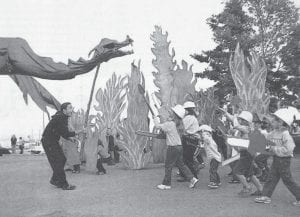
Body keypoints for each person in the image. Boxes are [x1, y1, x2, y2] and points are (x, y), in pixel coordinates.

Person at [255, 108, 300, 206]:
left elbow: (289, 149)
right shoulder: (275, 132)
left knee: (288, 180)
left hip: (284, 160)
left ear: (280, 122)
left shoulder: (285, 134)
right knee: (271, 177)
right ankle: (266, 196)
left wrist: (274, 149)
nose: (272, 121)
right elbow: (266, 138)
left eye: (274, 120)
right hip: (277, 159)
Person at [153, 104, 198, 190]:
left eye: (172, 112)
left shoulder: (170, 124)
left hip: (172, 147)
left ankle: (166, 184)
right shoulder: (179, 124)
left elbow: (158, 126)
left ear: (174, 114)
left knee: (168, 166)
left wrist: (155, 118)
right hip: (179, 147)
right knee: (181, 165)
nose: (170, 112)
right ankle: (192, 179)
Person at [41, 102, 85, 190]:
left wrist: (69, 138)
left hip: (52, 141)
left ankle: (55, 179)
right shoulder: (61, 117)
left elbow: (62, 132)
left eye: (72, 108)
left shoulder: (62, 117)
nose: (72, 110)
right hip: (49, 141)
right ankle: (64, 184)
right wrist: (79, 131)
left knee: (62, 159)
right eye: (70, 108)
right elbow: (65, 132)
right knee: (58, 161)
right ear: (64, 110)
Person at [222, 110, 263, 197]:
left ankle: (247, 187)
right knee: (250, 174)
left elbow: (236, 125)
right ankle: (260, 189)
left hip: (246, 153)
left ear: (246, 120)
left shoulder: (247, 128)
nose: (239, 120)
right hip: (247, 153)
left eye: (241, 119)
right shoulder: (246, 128)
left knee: (237, 171)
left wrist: (232, 120)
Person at [179, 101, 202, 180]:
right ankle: (186, 175)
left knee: (187, 159)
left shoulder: (189, 118)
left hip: (190, 140)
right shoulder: (191, 117)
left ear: (187, 110)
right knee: (186, 158)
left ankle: (194, 176)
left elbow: (182, 128)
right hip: (190, 139)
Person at [198, 125, 222, 189]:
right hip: (215, 157)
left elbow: (205, 138)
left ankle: (213, 182)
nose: (199, 134)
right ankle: (218, 181)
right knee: (214, 170)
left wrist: (201, 136)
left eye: (200, 132)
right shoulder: (210, 138)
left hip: (214, 157)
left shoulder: (207, 137)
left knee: (212, 170)